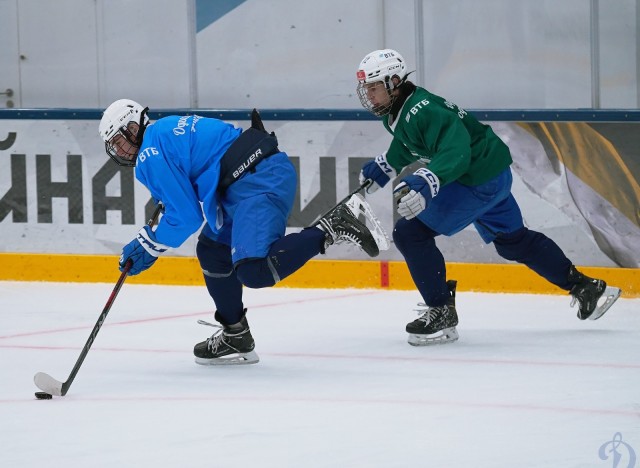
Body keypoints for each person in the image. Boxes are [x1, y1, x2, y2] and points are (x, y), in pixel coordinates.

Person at [355, 49, 622, 346]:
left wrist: (429, 179)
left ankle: (441, 311)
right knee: (513, 242)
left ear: (394, 81)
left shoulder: (424, 110)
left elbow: (456, 152)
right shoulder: (400, 112)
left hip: (477, 181)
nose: (369, 95)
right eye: (367, 88)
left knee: (409, 233)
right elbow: (413, 143)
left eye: (374, 87)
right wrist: (386, 163)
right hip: (490, 175)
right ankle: (586, 287)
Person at [98, 100, 384, 364]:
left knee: (254, 271)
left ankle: (332, 226)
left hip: (257, 181)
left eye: (120, 141)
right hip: (250, 180)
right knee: (212, 251)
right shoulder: (160, 133)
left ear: (134, 127)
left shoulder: (150, 150)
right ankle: (236, 334)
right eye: (114, 146)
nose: (120, 151)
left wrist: (149, 245)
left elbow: (185, 215)